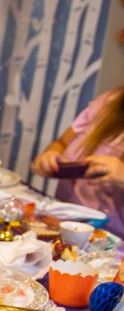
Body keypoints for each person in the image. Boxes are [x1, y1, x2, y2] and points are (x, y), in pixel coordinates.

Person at [32, 86, 124, 233]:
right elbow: (61, 143)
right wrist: (50, 156)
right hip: (62, 225)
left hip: (111, 242)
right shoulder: (107, 101)